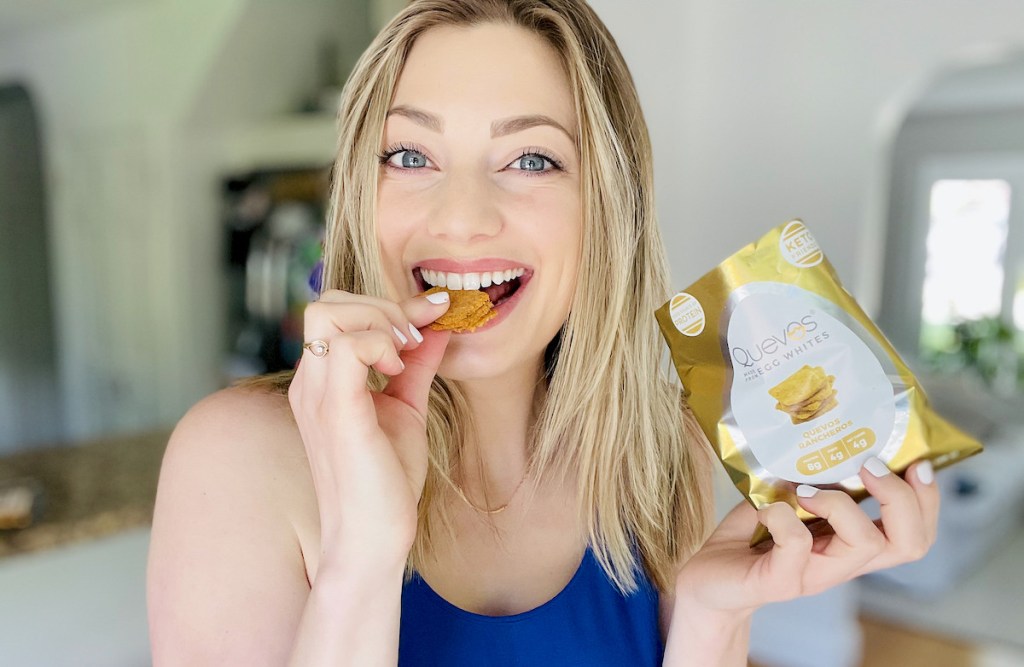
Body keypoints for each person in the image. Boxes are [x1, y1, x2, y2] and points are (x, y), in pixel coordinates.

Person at [146, 1, 940, 665]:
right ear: (361, 191)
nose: (460, 216)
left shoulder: (665, 448)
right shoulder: (237, 460)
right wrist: (362, 553)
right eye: (410, 153)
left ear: (607, 209)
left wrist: (709, 619)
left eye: (530, 160)